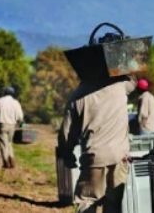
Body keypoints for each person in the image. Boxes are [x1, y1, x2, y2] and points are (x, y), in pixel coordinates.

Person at [58, 76, 136, 213]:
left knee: (87, 201)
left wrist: (67, 154)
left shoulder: (77, 96)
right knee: (114, 205)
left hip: (94, 158)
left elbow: (67, 133)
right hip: (120, 157)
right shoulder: (120, 86)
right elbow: (134, 81)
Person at [0, 86, 24, 169]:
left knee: (3, 143)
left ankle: (6, 162)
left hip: (2, 124)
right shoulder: (15, 102)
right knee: (9, 143)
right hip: (12, 125)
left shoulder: (0, 101)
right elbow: (20, 116)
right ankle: (11, 159)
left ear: (5, 93)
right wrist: (20, 122)